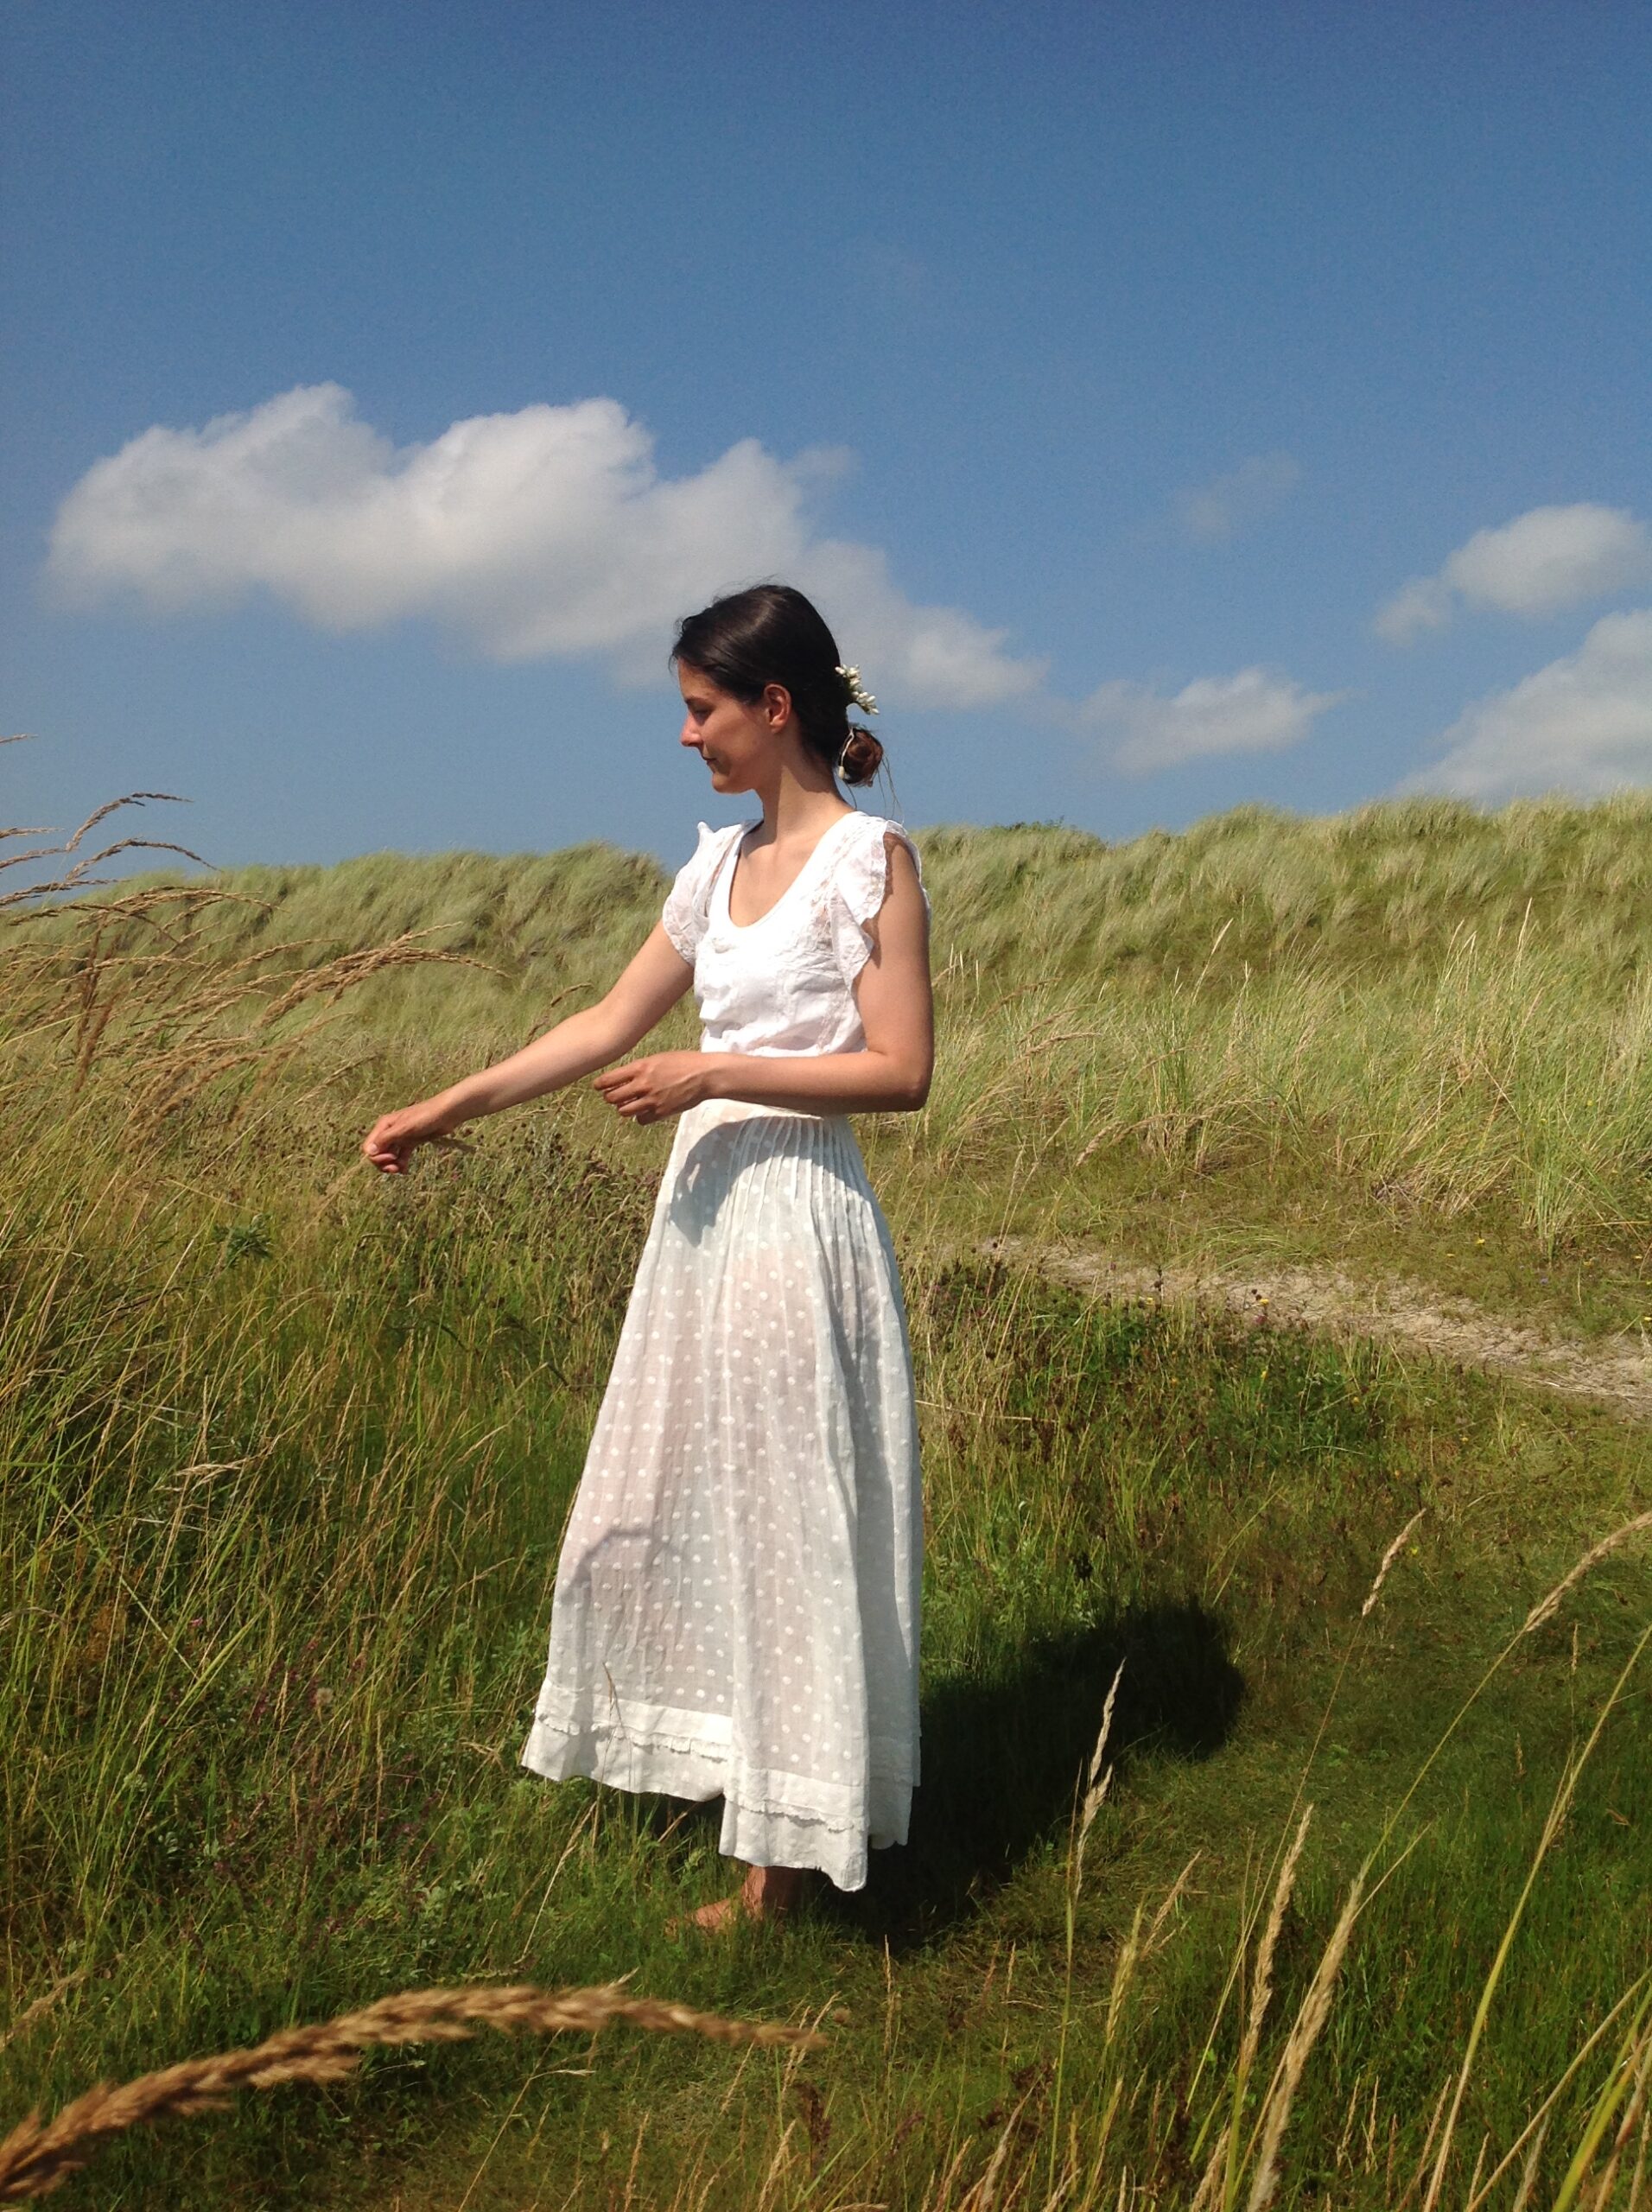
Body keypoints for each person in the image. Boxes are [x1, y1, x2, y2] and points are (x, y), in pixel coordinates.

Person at [361, 582, 933, 1926]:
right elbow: (609, 1020)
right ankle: (730, 1775)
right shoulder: (715, 869)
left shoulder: (873, 863)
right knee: (685, 1498)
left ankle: (780, 1869)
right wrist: (446, 1106)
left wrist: (716, 1073)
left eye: (701, 709)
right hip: (700, 1235)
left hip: (799, 1222)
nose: (685, 737)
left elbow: (903, 1072)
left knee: (791, 1516)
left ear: (773, 707)